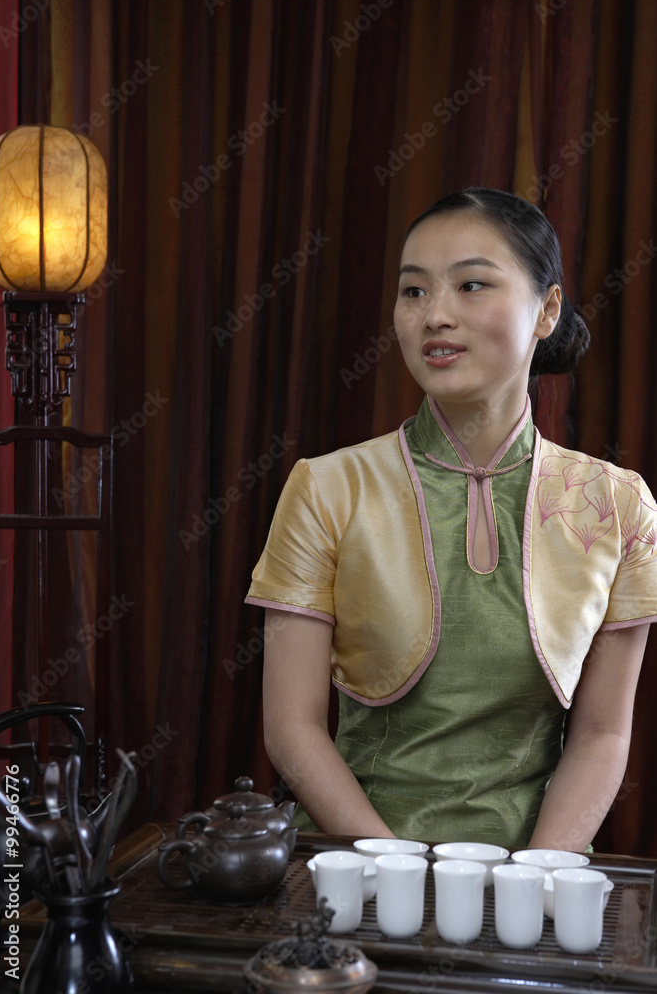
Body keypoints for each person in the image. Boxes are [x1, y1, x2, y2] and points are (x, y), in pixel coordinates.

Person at [245, 187, 657, 850]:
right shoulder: (327, 488)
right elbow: (292, 727)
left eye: (471, 285)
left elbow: (602, 734)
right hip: (359, 865)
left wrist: (536, 873)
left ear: (546, 310)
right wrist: (389, 864)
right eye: (413, 292)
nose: (434, 315)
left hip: (535, 875)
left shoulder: (615, 504)